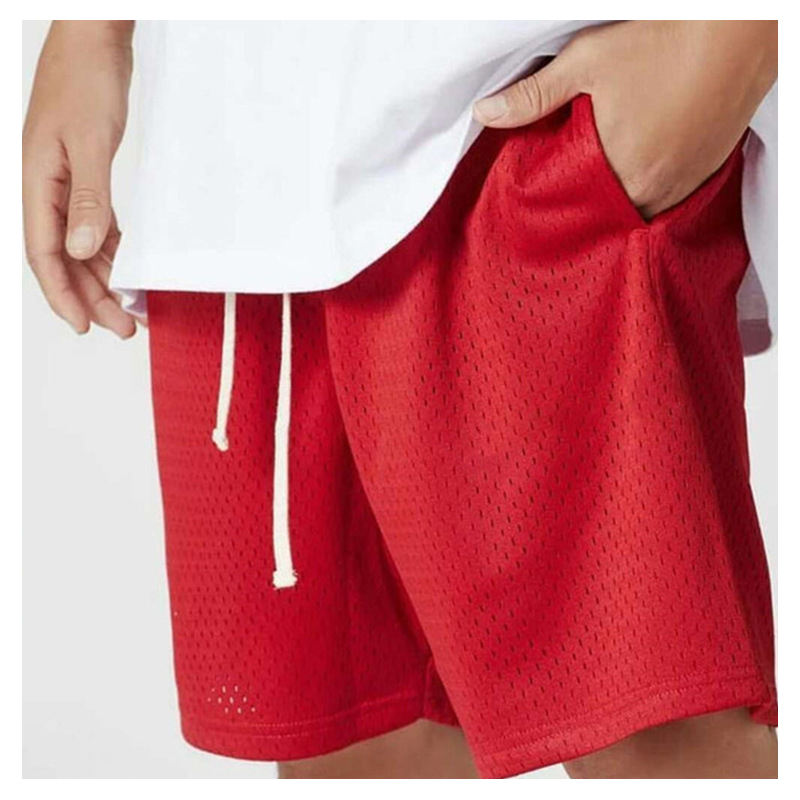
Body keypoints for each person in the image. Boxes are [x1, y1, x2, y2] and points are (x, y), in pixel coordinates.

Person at [22, 20, 778, 779]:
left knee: (652, 733)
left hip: (514, 107)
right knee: (354, 739)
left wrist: (736, 40)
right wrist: (90, 33)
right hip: (234, 162)